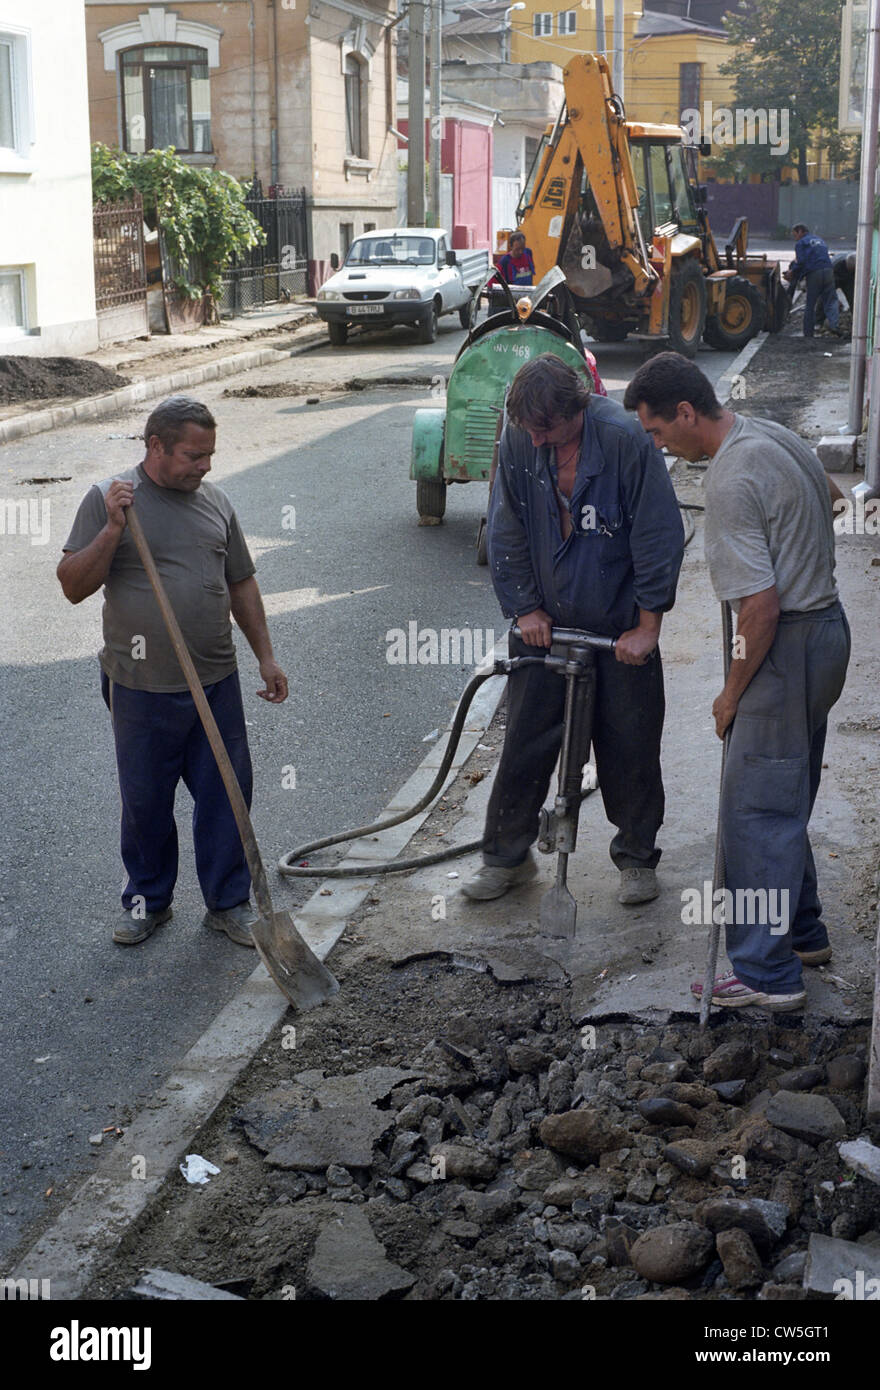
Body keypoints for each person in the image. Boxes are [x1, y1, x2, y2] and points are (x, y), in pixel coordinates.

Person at [623, 353, 850, 1011]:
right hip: (828, 633)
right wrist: (795, 549)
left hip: (787, 647)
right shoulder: (774, 435)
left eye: (659, 432)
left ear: (687, 413)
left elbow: (760, 608)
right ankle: (803, 933)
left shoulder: (729, 479)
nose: (659, 446)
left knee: (754, 812)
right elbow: (832, 499)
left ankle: (765, 975)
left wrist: (730, 692)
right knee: (787, 790)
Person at [57, 396, 289, 949]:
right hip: (141, 687)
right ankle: (146, 902)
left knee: (228, 794)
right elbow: (72, 585)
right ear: (155, 446)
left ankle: (228, 903)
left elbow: (241, 584)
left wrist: (265, 655)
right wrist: (112, 530)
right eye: (193, 455)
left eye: (209, 454)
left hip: (215, 679)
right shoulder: (112, 500)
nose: (204, 465)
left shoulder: (216, 502)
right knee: (145, 802)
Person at [462, 354, 685, 907]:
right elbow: (507, 526)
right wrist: (524, 610)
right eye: (530, 429)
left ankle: (635, 858)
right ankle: (506, 859)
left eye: (548, 430)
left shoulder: (625, 441)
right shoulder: (521, 441)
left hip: (619, 628)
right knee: (524, 744)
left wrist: (648, 626)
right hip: (545, 626)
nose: (538, 441)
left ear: (577, 411)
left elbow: (658, 535)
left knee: (629, 744)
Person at [783, 224, 840, 339]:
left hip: (815, 273)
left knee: (810, 304)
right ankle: (835, 326)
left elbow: (801, 262)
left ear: (800, 231)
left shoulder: (801, 243)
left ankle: (808, 334)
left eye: (795, 235)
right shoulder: (820, 240)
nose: (795, 238)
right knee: (831, 300)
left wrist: (792, 272)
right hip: (829, 270)